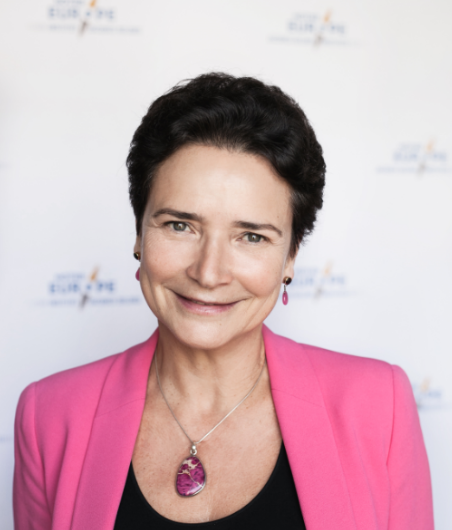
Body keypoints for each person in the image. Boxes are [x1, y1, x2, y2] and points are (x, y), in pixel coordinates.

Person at [13, 73, 433, 530]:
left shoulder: (379, 406)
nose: (208, 272)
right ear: (138, 234)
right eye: (180, 226)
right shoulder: (48, 416)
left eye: (251, 236)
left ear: (291, 256)